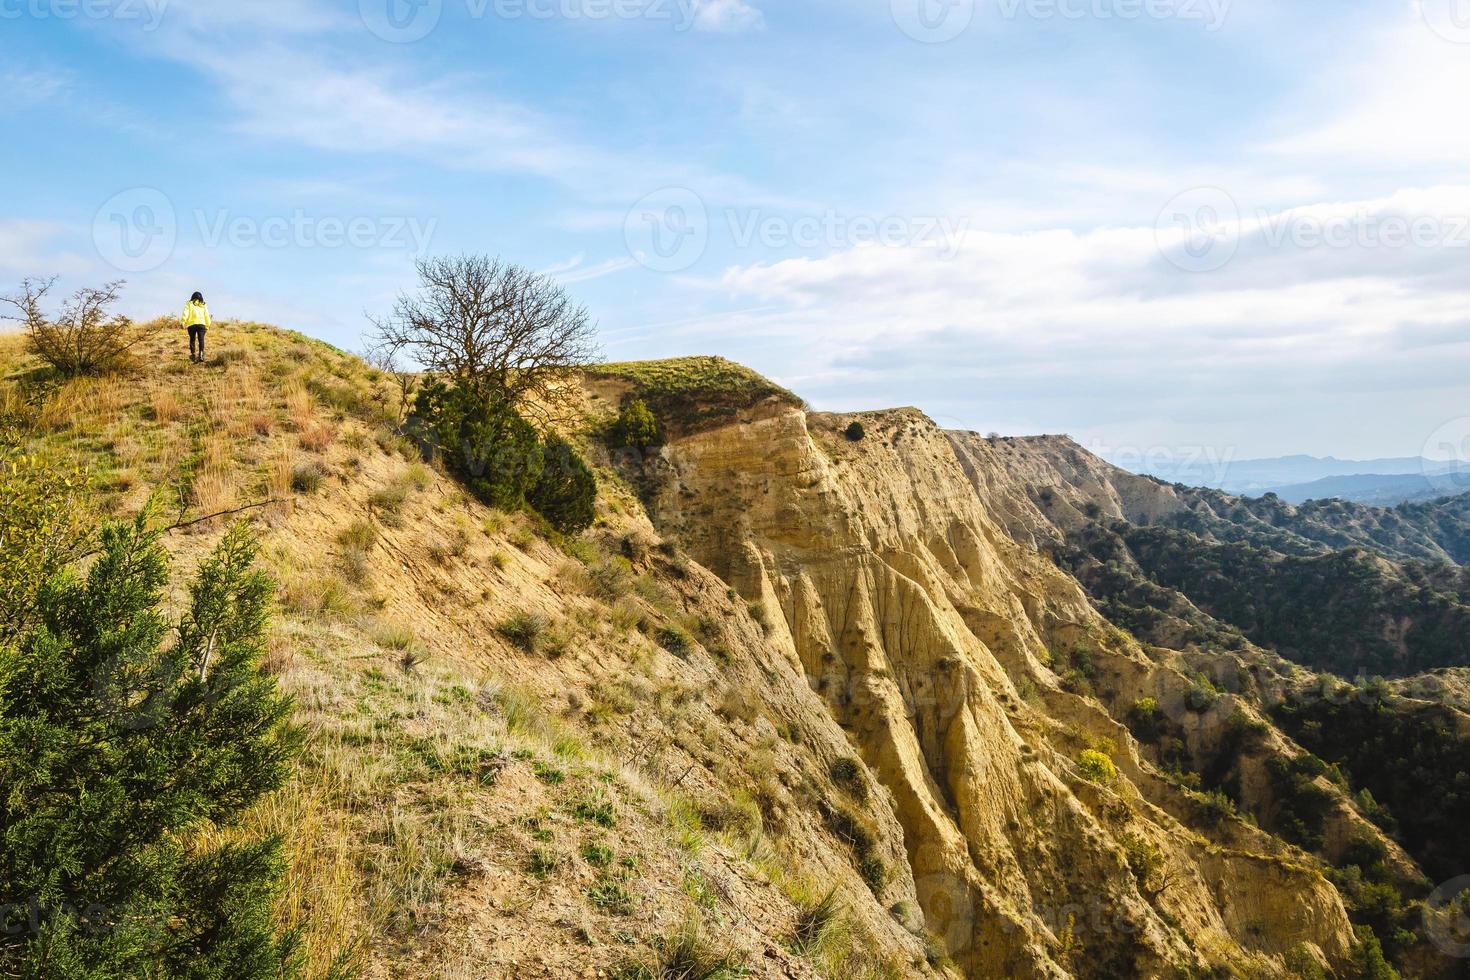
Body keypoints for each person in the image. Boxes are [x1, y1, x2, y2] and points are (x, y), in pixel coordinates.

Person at [181, 291, 211, 362]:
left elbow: (186, 312)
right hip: (201, 324)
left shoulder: (189, 304)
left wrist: (183, 321)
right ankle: (201, 354)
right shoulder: (203, 305)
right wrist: (207, 325)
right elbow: (207, 315)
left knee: (192, 339)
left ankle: (193, 354)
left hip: (191, 325)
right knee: (201, 339)